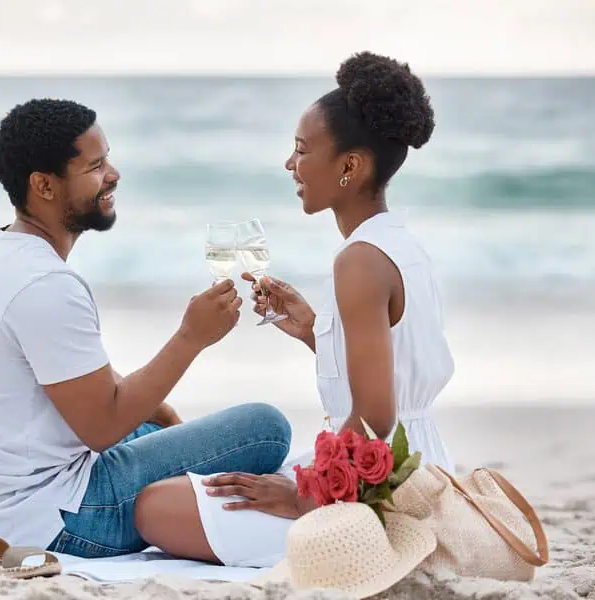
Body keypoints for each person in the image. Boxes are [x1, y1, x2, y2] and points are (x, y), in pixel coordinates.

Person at [0, 98, 292, 559]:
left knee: (152, 429)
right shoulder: (46, 284)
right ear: (44, 185)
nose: (114, 174)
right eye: (95, 166)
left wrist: (161, 415)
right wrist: (191, 337)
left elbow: (77, 383)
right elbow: (101, 428)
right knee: (264, 430)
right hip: (53, 522)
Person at [132, 51, 456, 567]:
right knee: (191, 491)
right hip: (418, 468)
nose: (290, 165)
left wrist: (303, 499)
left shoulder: (359, 261)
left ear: (349, 165)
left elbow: (375, 418)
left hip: (383, 489)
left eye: (302, 151)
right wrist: (314, 331)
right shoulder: (400, 243)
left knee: (152, 507)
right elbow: (394, 365)